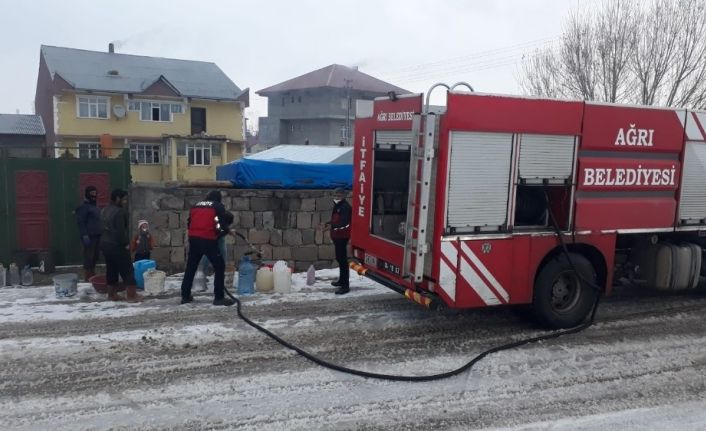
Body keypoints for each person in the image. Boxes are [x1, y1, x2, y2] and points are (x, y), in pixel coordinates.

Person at [181, 190, 235, 306]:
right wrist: (226, 231)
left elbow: (189, 223)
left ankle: (185, 296)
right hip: (207, 239)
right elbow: (219, 225)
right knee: (219, 266)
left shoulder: (196, 205)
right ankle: (219, 297)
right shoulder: (218, 206)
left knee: (191, 267)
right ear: (219, 199)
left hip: (194, 238)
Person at [100, 189, 139, 302]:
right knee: (127, 270)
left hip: (105, 244)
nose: (126, 202)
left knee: (111, 269)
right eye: (124, 199)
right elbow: (120, 231)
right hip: (117, 245)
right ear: (117, 198)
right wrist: (126, 244)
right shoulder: (120, 212)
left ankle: (111, 295)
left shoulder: (104, 210)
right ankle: (132, 296)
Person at [325, 188, 352, 294]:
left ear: (344, 196)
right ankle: (341, 280)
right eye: (335, 196)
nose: (336, 198)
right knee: (339, 259)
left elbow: (344, 223)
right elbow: (334, 220)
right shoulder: (337, 206)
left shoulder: (345, 207)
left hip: (342, 236)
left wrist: (331, 227)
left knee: (343, 260)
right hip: (336, 236)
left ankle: (345, 285)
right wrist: (328, 223)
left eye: (339, 196)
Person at [76, 185, 102, 282]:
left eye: (95, 193)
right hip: (89, 236)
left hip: (97, 235)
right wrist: (84, 235)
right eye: (92, 193)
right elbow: (80, 222)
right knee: (89, 256)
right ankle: (88, 275)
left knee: (95, 256)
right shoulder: (83, 207)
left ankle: (92, 272)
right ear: (87, 194)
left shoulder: (95, 207)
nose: (94, 195)